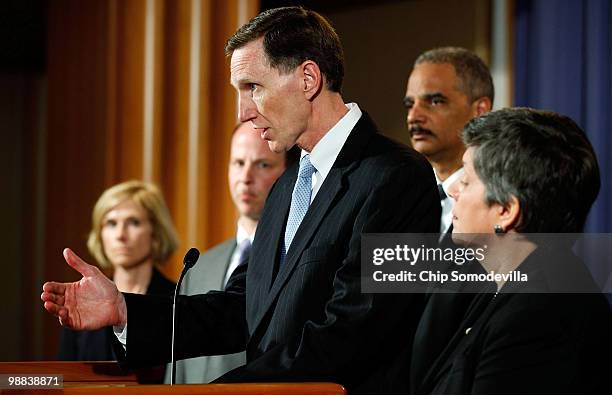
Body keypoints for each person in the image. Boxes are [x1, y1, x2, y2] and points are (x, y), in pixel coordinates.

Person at [41, 7, 440, 394]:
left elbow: (355, 330)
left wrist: (225, 391)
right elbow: (241, 307)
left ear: (308, 79)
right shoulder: (287, 186)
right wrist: (126, 311)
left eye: (253, 88)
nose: (243, 111)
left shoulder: (398, 177)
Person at [411, 108, 611, 395]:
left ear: (506, 211)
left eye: (466, 180)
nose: (453, 189)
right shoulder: (504, 285)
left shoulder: (541, 316)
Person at [169, 122, 297, 383]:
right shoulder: (198, 267)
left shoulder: (293, 259)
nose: (245, 177)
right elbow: (177, 369)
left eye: (263, 165)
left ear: (288, 173)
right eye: (238, 163)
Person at [58, 181, 178, 381]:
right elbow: (64, 379)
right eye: (111, 223)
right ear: (100, 234)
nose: (121, 235)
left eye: (134, 222)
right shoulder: (80, 300)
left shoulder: (177, 298)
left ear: (155, 233)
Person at [404, 47, 493, 235]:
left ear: (480, 110)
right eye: (410, 104)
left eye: (435, 101)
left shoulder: (500, 202)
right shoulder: (399, 196)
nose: (414, 116)